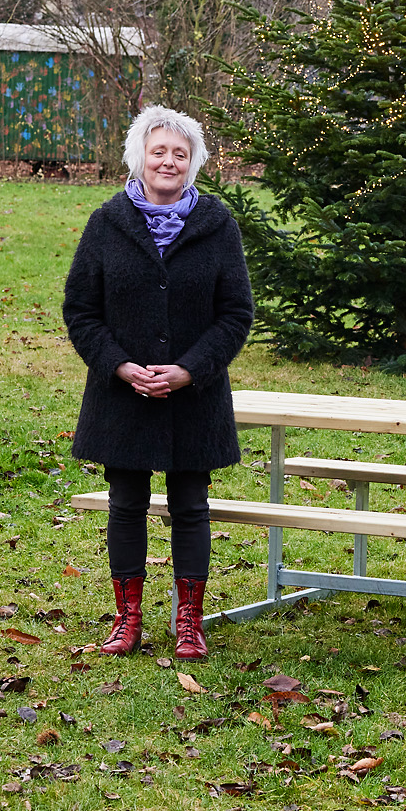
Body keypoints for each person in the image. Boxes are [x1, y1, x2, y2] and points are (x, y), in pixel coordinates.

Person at [63, 105, 253, 662]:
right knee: (126, 504)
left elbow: (235, 314)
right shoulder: (107, 223)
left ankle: (189, 622)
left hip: (195, 396)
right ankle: (128, 619)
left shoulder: (217, 226)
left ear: (193, 162)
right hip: (121, 397)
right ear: (138, 158)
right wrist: (121, 366)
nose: (168, 161)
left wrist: (191, 368)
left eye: (180, 152)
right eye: (158, 151)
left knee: (191, 505)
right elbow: (81, 310)